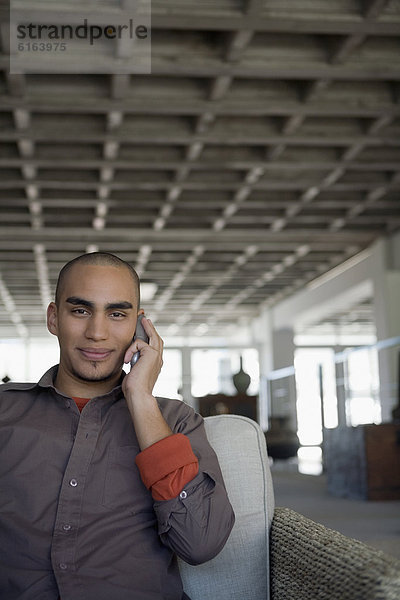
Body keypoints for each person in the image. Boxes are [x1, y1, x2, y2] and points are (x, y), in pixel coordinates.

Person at [0, 252, 235, 600]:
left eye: (117, 314)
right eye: (80, 310)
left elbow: (199, 543)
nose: (97, 332)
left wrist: (140, 398)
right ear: (54, 318)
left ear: (139, 326)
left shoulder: (176, 422)